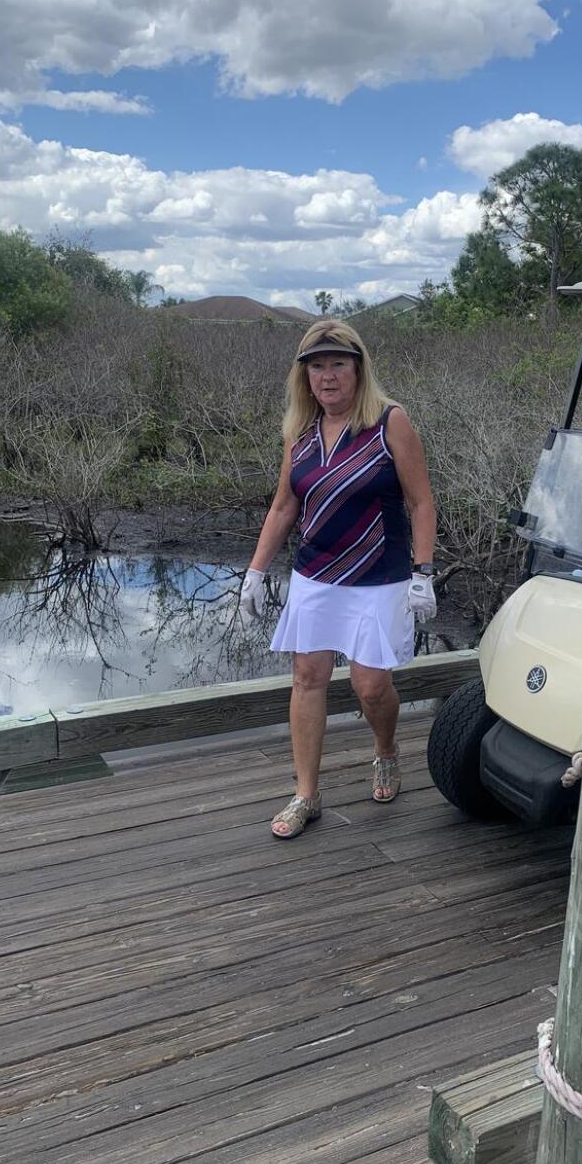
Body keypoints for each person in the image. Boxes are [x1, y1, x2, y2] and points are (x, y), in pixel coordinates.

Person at [238, 319, 438, 838]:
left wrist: (424, 571)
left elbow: (421, 501)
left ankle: (386, 749)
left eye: (338, 365)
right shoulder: (299, 431)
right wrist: (256, 571)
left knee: (371, 686)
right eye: (317, 366)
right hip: (315, 575)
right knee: (307, 677)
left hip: (379, 576)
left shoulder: (391, 422)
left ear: (358, 368)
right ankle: (306, 794)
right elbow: (285, 505)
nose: (328, 377)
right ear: (304, 376)